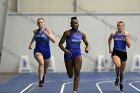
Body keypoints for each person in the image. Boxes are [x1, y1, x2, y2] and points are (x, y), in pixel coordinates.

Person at [58, 17, 90, 93]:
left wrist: (87, 48)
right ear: (71, 25)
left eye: (76, 23)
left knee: (77, 71)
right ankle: (70, 70)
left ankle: (75, 91)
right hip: (68, 54)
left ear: (78, 24)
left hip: (77, 54)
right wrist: (65, 50)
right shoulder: (67, 33)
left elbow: (87, 43)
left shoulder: (82, 34)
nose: (75, 24)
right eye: (73, 23)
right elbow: (60, 44)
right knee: (70, 75)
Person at [28, 18, 55, 87]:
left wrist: (47, 34)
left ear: (44, 23)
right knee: (41, 63)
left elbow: (53, 40)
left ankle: (43, 78)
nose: (40, 23)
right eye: (39, 22)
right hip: (38, 51)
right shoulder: (35, 31)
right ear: (37, 24)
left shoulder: (48, 31)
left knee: (45, 69)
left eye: (41, 22)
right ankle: (40, 80)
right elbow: (34, 37)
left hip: (46, 51)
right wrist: (30, 44)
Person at [108, 21, 130, 91]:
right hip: (115, 52)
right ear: (117, 26)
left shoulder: (126, 34)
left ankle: (121, 83)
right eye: (118, 25)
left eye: (121, 25)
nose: (120, 26)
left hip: (123, 53)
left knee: (122, 71)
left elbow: (129, 46)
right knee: (118, 65)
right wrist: (109, 48)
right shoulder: (113, 34)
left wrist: (125, 39)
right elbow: (109, 39)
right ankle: (117, 77)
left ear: (123, 27)